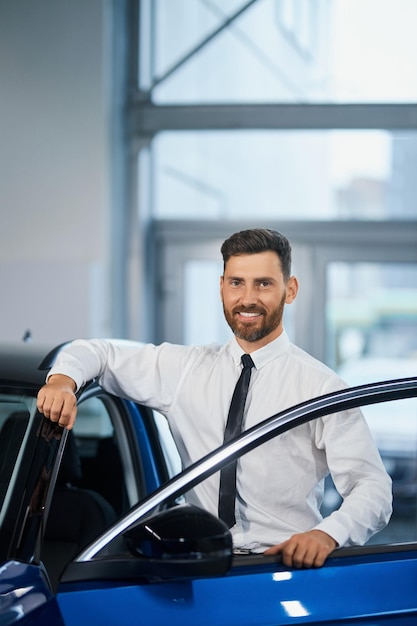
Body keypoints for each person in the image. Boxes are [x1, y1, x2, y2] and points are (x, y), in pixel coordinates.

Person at [37, 228, 392, 569]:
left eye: (264, 284)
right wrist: (63, 381)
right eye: (237, 282)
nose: (248, 298)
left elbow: (373, 487)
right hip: (198, 567)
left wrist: (327, 534)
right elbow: (95, 352)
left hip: (283, 568)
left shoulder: (322, 388)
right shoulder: (185, 369)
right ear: (222, 288)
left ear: (291, 289)